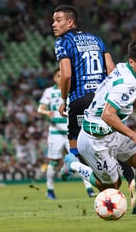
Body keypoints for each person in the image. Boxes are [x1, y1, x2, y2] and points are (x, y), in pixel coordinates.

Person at [52, 5, 136, 198]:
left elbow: (66, 74)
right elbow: (111, 70)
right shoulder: (97, 40)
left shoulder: (63, 42)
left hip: (79, 99)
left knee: (79, 148)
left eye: (58, 20)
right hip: (101, 96)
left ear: (70, 22)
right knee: (113, 135)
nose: (54, 24)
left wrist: (63, 99)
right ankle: (128, 178)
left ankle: (74, 165)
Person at [62, 36, 136, 214]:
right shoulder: (127, 84)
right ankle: (74, 165)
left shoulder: (124, 68)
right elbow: (107, 115)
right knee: (113, 186)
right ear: (132, 61)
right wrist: (133, 135)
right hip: (95, 140)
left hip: (111, 133)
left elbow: (135, 84)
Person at [37, 67, 96, 199]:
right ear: (54, 78)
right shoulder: (49, 92)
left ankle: (89, 189)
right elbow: (40, 109)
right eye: (58, 76)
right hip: (56, 133)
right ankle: (50, 190)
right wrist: (47, 112)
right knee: (53, 161)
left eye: (62, 75)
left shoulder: (72, 90)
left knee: (80, 159)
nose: (60, 78)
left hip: (72, 131)